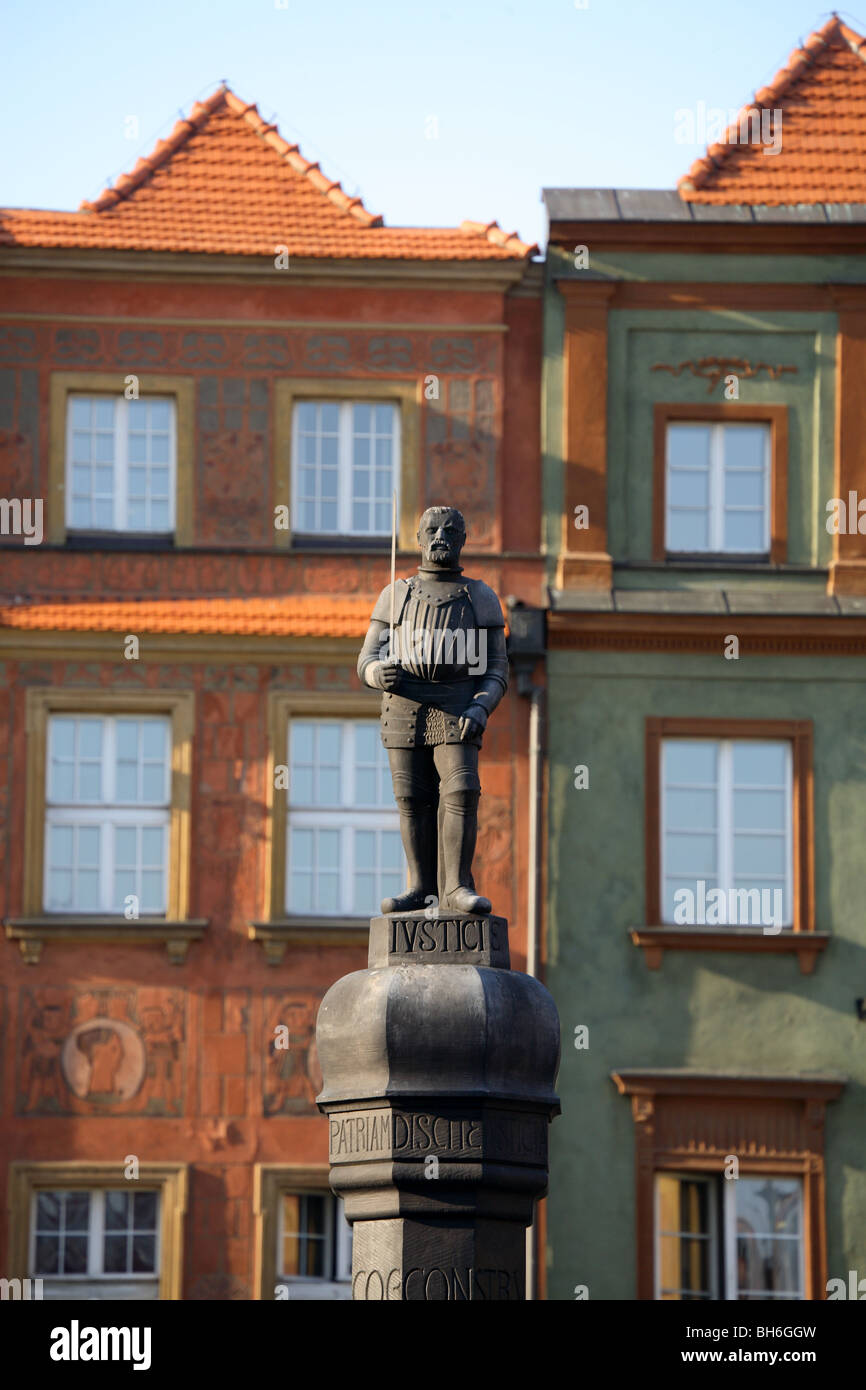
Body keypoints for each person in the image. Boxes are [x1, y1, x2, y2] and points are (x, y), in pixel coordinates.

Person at [357, 506, 508, 915]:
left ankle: (456, 886)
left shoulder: (481, 596)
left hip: (459, 704)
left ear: (462, 540)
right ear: (419, 539)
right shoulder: (396, 595)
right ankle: (421, 887)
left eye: (450, 530)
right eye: (432, 529)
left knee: (462, 789)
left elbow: (497, 668)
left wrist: (482, 705)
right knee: (411, 798)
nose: (441, 536)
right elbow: (366, 657)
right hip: (403, 704)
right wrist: (376, 672)